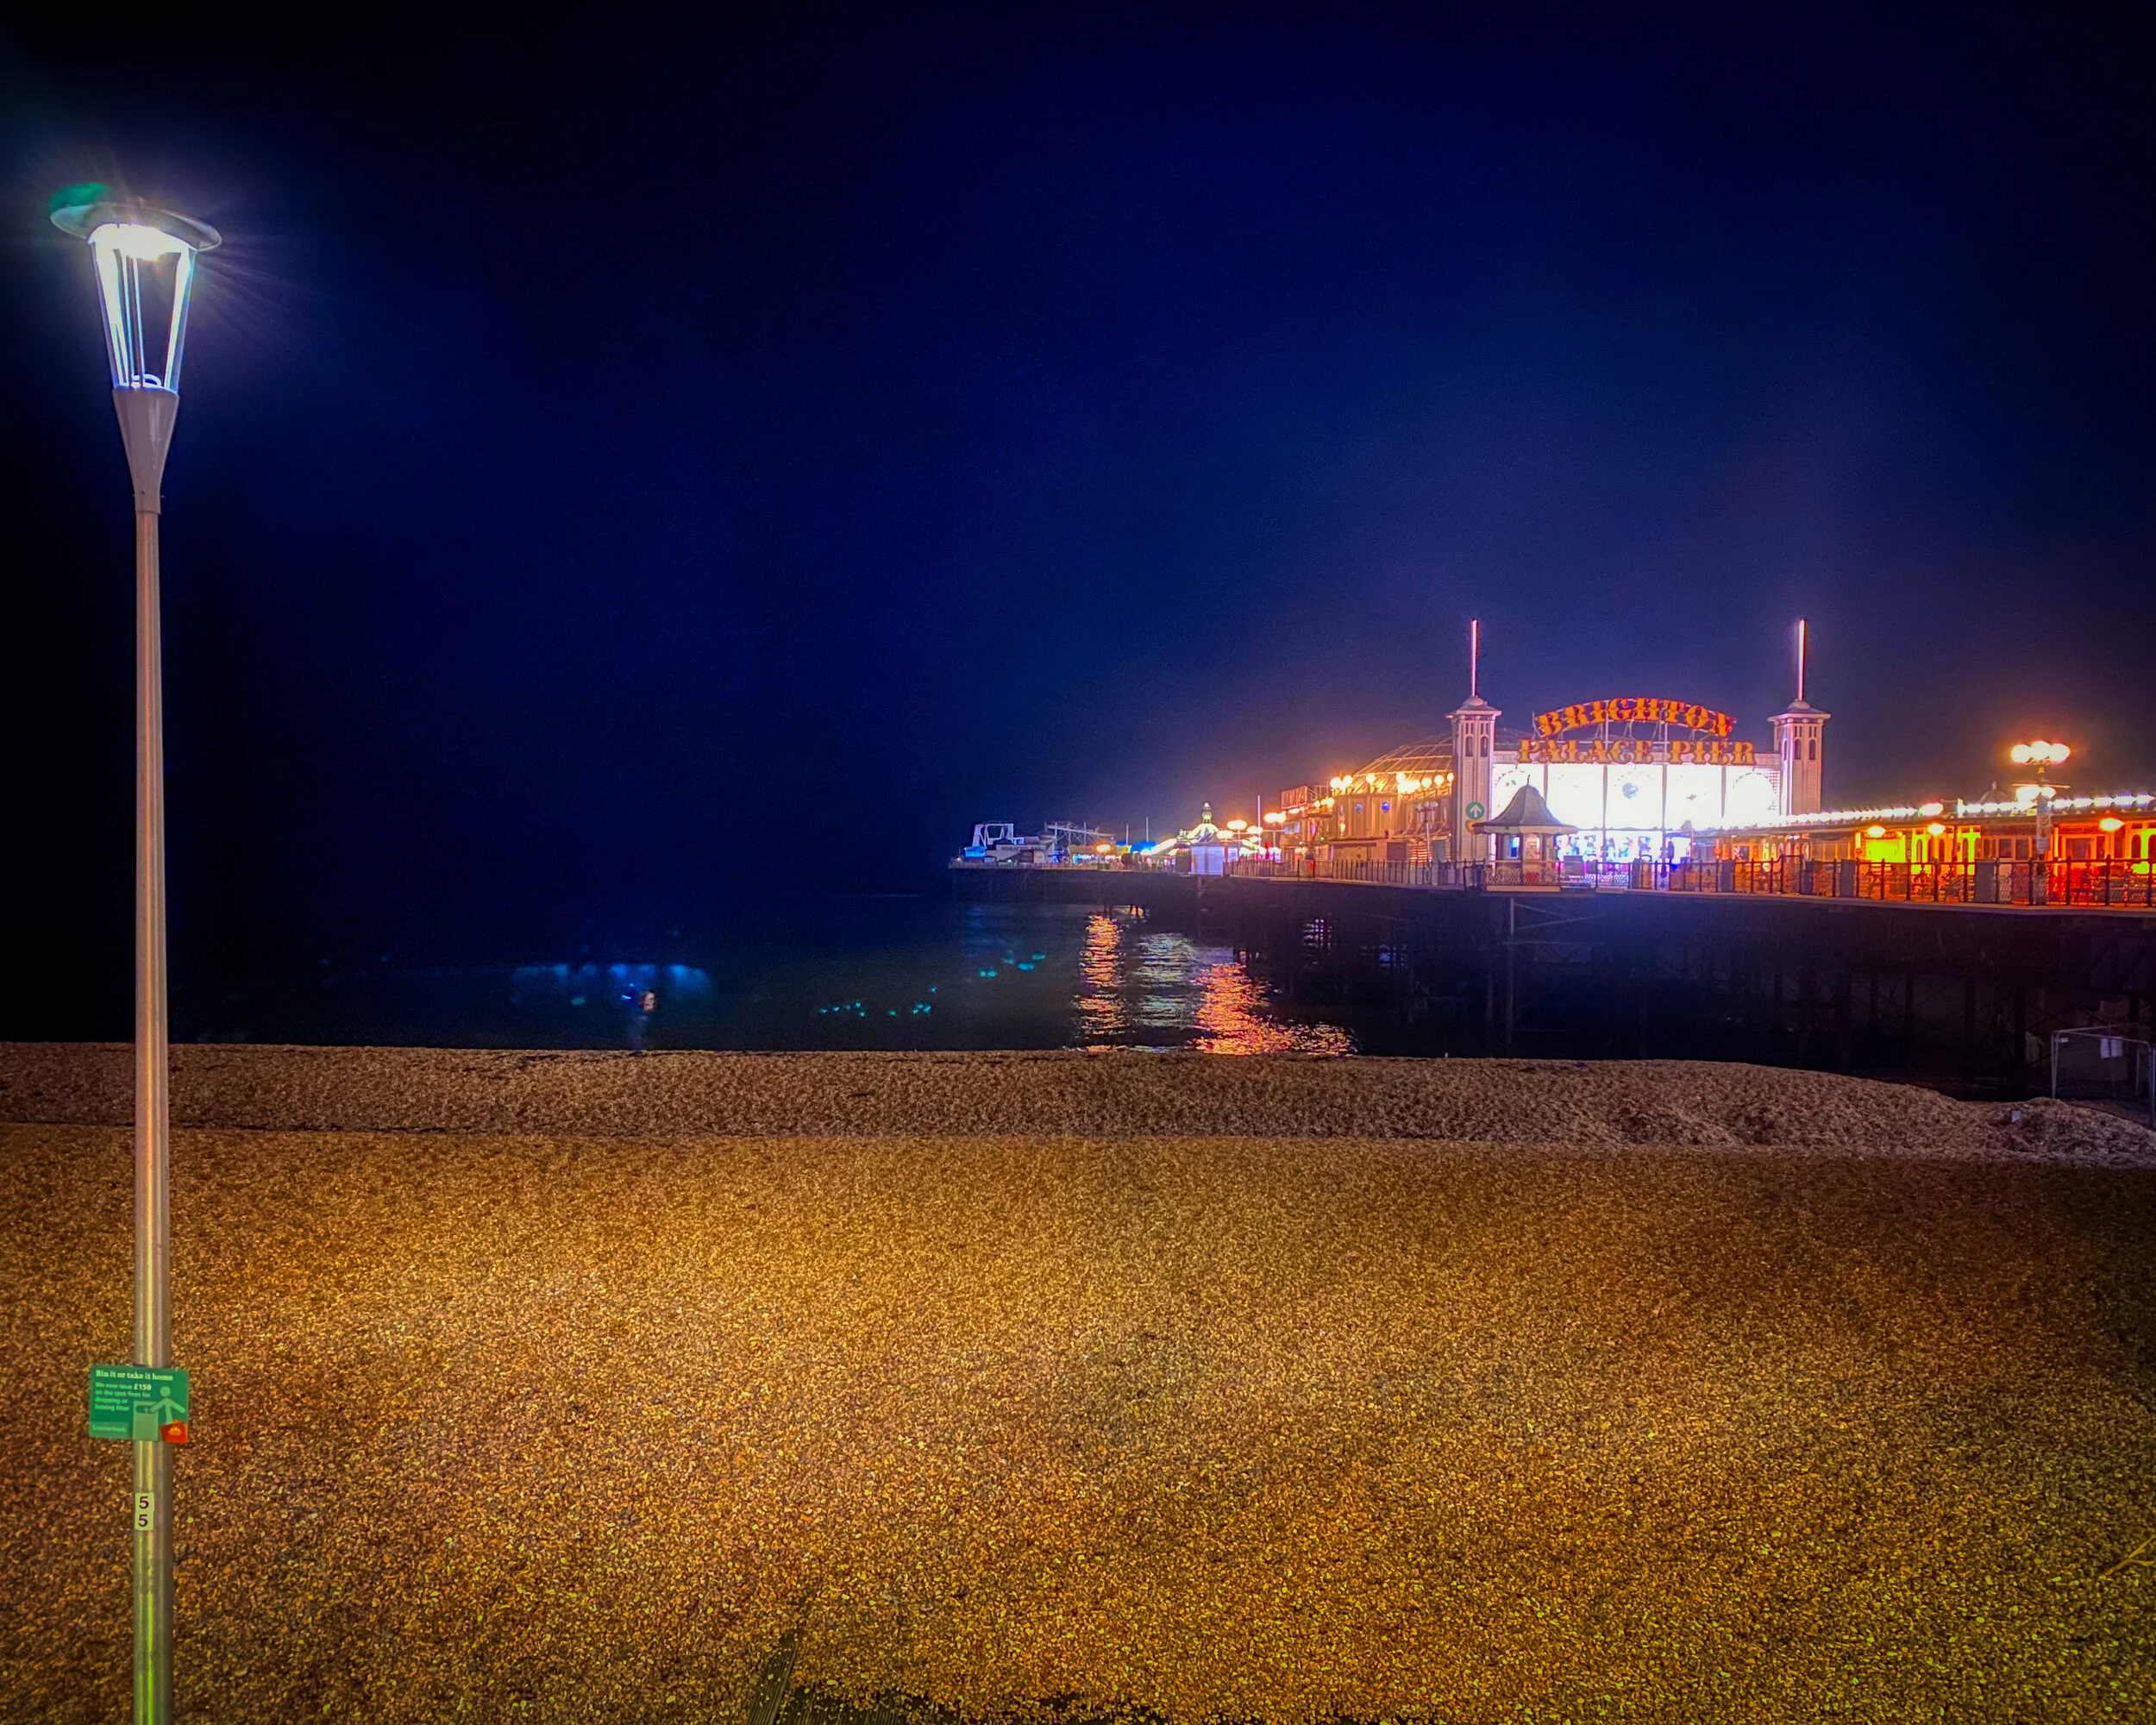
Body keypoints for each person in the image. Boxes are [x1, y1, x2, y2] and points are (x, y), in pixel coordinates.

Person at [627, 988, 658, 1053]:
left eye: (653, 999)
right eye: (650, 999)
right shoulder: (639, 1019)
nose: (653, 1002)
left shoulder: (651, 1018)